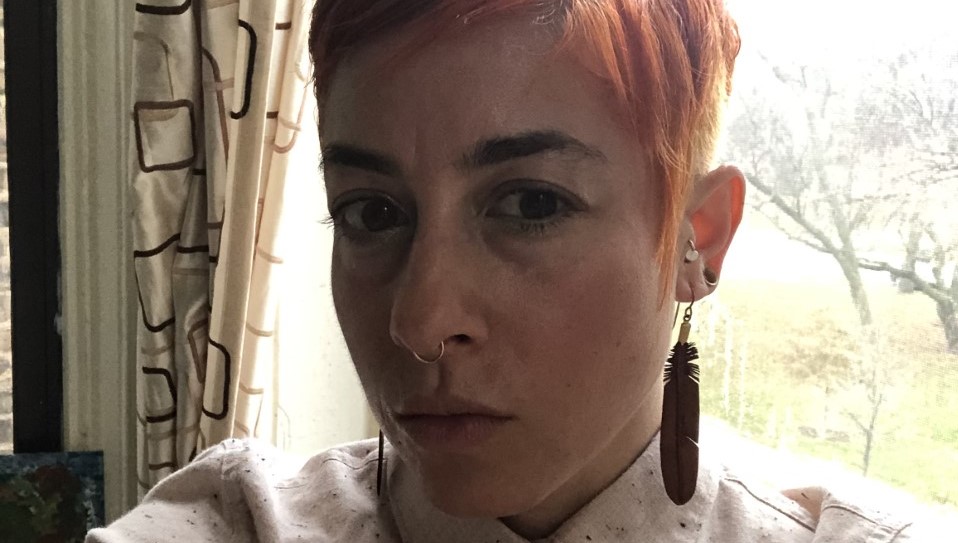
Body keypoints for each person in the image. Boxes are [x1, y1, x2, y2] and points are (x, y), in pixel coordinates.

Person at [88, 0, 928, 541]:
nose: (420, 322)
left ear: (698, 239)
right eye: (371, 212)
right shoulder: (232, 522)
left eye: (531, 203)